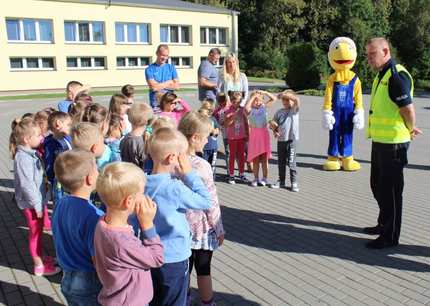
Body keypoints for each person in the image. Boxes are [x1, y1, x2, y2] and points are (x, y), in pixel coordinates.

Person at [141, 127, 211, 306]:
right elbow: (205, 201)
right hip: (174, 257)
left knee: (154, 299)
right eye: (183, 155)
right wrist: (189, 174)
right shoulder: (175, 188)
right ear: (172, 158)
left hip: (148, 254)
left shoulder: (141, 182)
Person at [364, 37, 422, 249]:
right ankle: (383, 224)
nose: (368, 59)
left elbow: (408, 109)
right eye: (367, 54)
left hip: (394, 143)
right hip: (381, 140)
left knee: (391, 191)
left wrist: (409, 128)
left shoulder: (397, 76)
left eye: (372, 54)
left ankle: (390, 236)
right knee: (377, 186)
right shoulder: (383, 74)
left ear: (385, 51)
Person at [94, 162, 164, 306]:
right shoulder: (122, 242)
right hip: (130, 301)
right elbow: (157, 258)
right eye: (142, 192)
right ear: (129, 201)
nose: (144, 196)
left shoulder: (102, 222)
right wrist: (147, 224)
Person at [178, 112, 224, 306]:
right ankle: (207, 302)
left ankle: (185, 299)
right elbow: (211, 200)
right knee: (204, 270)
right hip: (202, 228)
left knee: (184, 270)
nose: (207, 142)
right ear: (195, 137)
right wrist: (218, 228)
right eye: (206, 137)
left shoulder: (172, 160)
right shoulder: (202, 165)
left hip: (179, 227)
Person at [10, 118, 61, 276]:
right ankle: (38, 265)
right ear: (26, 139)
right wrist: (38, 206)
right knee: (35, 233)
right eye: (38, 135)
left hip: (36, 203)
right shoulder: (23, 158)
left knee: (37, 231)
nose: (42, 137)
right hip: (32, 205)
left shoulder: (29, 153)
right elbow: (27, 186)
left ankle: (40, 256)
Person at [52, 149, 104, 304]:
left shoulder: (61, 203)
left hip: (67, 276)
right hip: (88, 281)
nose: (99, 171)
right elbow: (97, 259)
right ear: (89, 179)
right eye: (96, 168)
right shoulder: (93, 216)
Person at [269, 90, 300, 191]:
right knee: (281, 162)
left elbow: (296, 100)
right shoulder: (279, 112)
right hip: (281, 140)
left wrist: (284, 94)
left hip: (291, 140)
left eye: (288, 100)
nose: (286, 102)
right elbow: (273, 123)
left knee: (291, 162)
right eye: (284, 100)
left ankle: (294, 182)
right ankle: (281, 181)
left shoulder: (295, 109)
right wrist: (274, 129)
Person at [244, 90, 276, 187]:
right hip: (254, 136)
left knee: (264, 159)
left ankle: (264, 178)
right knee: (256, 159)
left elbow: (274, 98)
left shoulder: (264, 107)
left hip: (264, 135)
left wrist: (265, 92)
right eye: (255, 100)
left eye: (259, 100)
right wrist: (254, 97)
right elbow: (246, 107)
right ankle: (256, 178)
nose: (257, 102)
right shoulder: (249, 110)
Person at [43, 111, 72, 204]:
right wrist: (51, 178)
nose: (70, 127)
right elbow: (49, 163)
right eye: (68, 124)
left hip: (71, 176)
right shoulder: (51, 143)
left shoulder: (68, 137)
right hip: (59, 180)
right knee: (60, 201)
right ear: (58, 124)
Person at [224, 91, 249, 185]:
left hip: (242, 137)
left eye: (238, 102)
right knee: (232, 156)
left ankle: (241, 173)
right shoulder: (228, 110)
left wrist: (248, 135)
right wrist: (232, 117)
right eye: (234, 102)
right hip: (232, 137)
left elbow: (246, 123)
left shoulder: (242, 110)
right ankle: (231, 174)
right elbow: (226, 124)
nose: (236, 104)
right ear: (231, 101)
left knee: (242, 155)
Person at [120, 103, 153, 170]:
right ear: (147, 121)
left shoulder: (124, 139)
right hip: (140, 175)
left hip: (127, 172)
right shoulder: (141, 141)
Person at [145, 44, 180, 109]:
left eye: (166, 56)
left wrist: (159, 85)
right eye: (162, 55)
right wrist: (169, 82)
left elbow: (177, 86)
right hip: (156, 105)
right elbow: (153, 87)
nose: (164, 58)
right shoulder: (149, 69)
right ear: (157, 53)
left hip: (170, 104)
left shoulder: (171, 67)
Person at [198, 100, 219, 177]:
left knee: (212, 166)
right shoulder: (200, 119)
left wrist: (214, 131)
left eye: (211, 110)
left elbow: (217, 130)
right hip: (203, 148)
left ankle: (212, 180)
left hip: (213, 147)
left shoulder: (213, 119)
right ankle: (203, 180)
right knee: (202, 166)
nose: (210, 111)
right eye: (208, 109)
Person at [213, 93, 231, 175]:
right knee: (228, 152)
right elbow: (215, 121)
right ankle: (229, 171)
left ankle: (239, 172)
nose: (221, 104)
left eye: (223, 102)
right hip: (225, 135)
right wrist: (219, 126)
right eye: (220, 103)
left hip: (235, 135)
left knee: (237, 153)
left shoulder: (231, 108)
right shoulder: (217, 111)